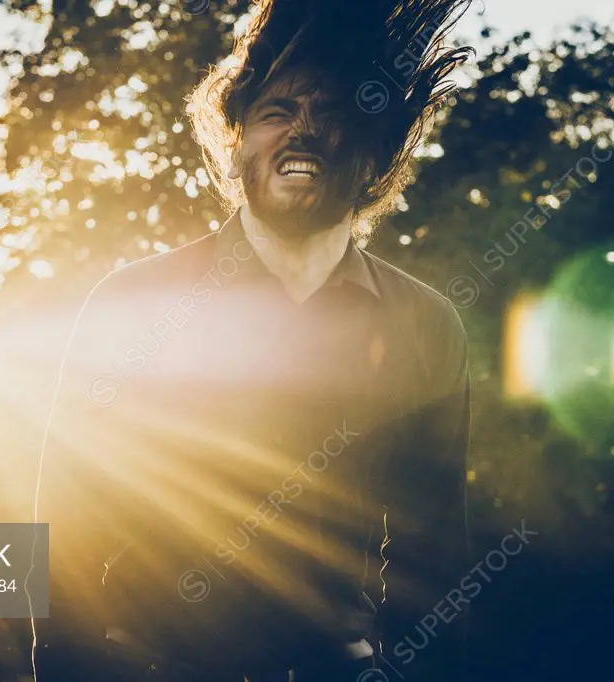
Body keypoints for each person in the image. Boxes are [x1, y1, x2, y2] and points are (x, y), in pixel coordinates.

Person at [37, 1, 476, 680]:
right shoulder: (131, 303)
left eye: (335, 115)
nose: (305, 131)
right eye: (279, 111)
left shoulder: (426, 327)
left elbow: (433, 559)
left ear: (371, 155)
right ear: (238, 141)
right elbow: (65, 526)